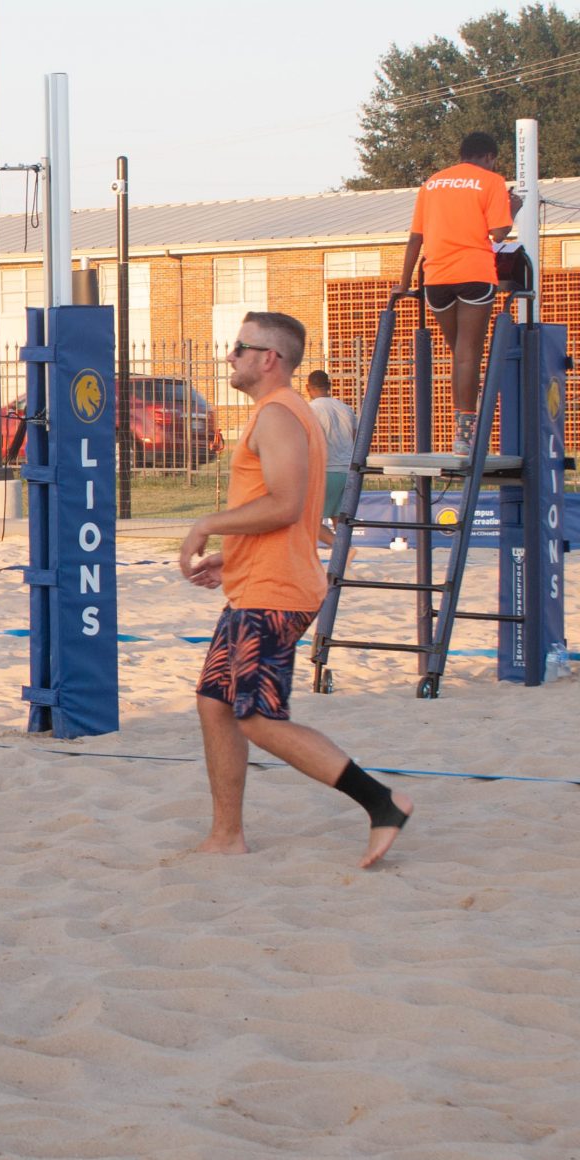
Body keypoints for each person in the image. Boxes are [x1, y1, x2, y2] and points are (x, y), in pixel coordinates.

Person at [178, 313, 413, 869]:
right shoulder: (276, 412)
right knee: (214, 704)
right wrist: (228, 554)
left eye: (240, 348)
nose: (230, 357)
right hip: (257, 583)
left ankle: (382, 803)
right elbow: (284, 514)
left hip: (276, 593)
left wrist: (207, 524)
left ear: (269, 359)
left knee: (257, 717)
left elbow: (285, 504)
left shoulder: (281, 413)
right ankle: (226, 836)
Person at [390, 131, 519, 456]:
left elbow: (415, 239)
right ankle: (464, 433)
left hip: (436, 278)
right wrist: (512, 207)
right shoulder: (491, 182)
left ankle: (461, 422)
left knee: (457, 353)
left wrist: (404, 284)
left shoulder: (432, 184)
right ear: (489, 157)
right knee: (468, 355)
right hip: (474, 273)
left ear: (462, 154)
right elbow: (499, 232)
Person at [305, 369, 357, 545]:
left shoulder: (311, 410)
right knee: (339, 518)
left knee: (309, 521)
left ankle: (340, 548)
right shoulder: (346, 409)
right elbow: (356, 437)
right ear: (329, 386)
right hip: (347, 470)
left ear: (308, 388)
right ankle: (343, 555)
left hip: (325, 470)